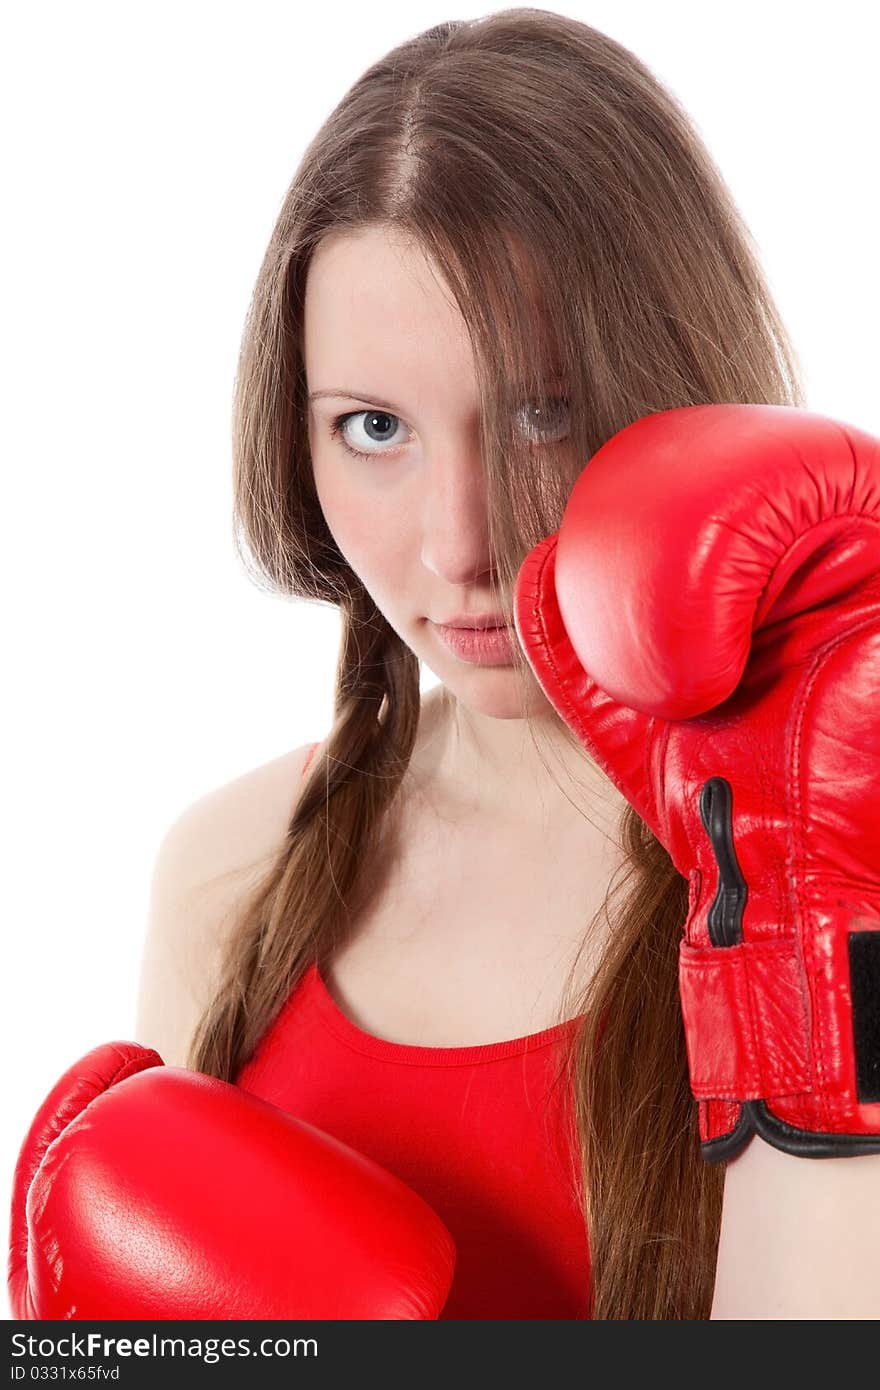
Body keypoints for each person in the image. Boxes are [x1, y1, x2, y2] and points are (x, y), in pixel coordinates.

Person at [11, 10, 880, 1323]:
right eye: (373, 427)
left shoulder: (836, 877)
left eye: (545, 412)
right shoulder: (234, 874)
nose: (461, 541)